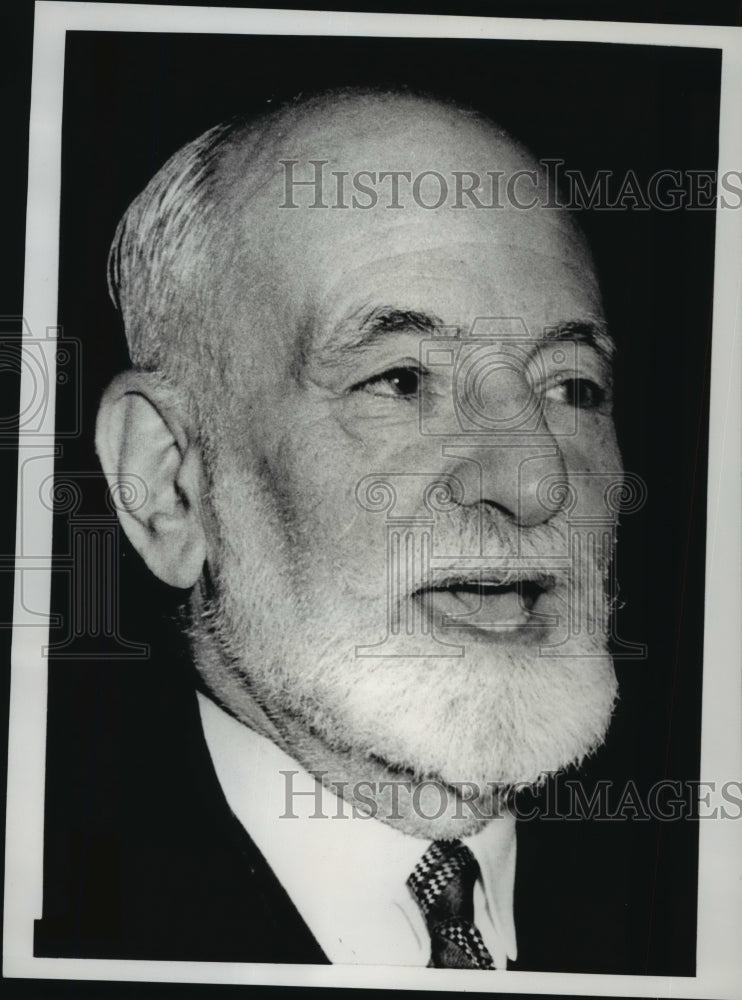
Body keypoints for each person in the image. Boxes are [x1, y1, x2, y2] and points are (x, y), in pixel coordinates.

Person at [41, 88, 625, 969]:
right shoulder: (61, 914)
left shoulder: (674, 911)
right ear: (170, 483)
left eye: (571, 386)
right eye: (400, 381)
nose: (536, 480)